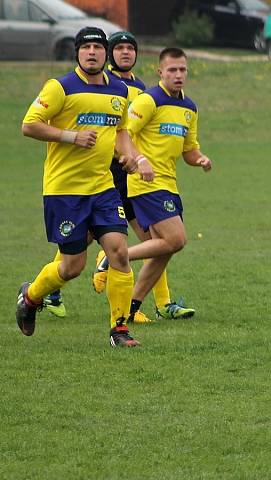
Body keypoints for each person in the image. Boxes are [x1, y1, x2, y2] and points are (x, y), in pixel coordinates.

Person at [17, 26, 154, 347]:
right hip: (64, 190)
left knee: (119, 252)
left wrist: (132, 157)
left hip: (103, 188)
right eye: (86, 47)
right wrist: (70, 136)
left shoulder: (119, 91)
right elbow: (29, 125)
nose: (92, 52)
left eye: (97, 47)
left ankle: (119, 330)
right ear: (77, 52)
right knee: (71, 267)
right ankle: (31, 297)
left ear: (105, 53)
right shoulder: (59, 87)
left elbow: (121, 131)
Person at [93, 47, 210, 324]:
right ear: (160, 72)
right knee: (176, 240)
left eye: (182, 70)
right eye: (172, 70)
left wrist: (201, 159)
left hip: (169, 184)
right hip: (146, 183)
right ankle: (111, 257)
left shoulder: (189, 108)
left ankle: (131, 308)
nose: (178, 75)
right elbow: (122, 135)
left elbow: (189, 150)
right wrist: (139, 158)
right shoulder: (148, 101)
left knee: (163, 248)